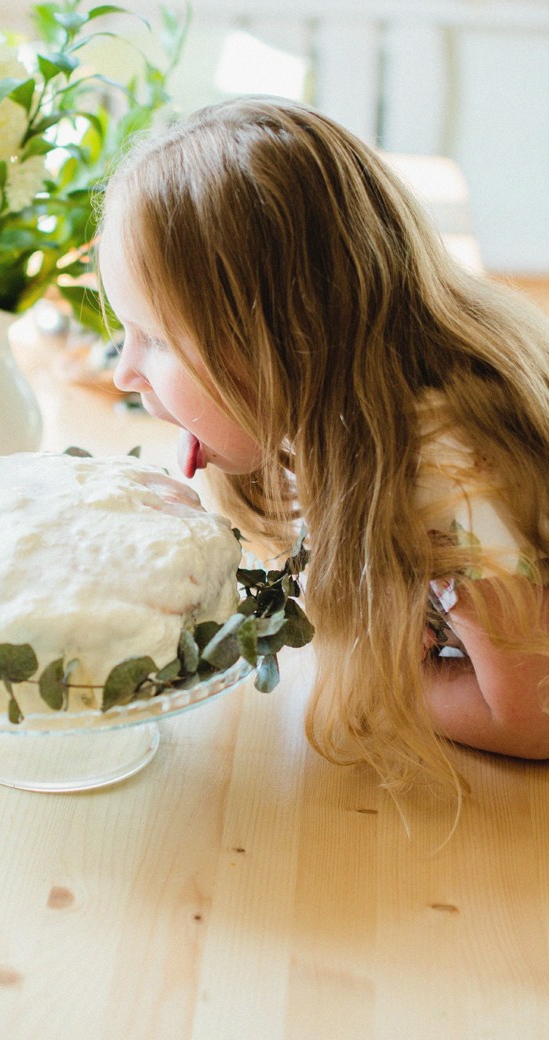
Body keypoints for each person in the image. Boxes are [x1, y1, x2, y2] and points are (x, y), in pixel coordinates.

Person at [96, 95, 549, 798]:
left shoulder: (443, 468)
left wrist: (385, 674)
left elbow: (529, 717)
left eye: (155, 339)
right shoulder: (348, 409)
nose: (123, 372)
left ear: (281, 342)